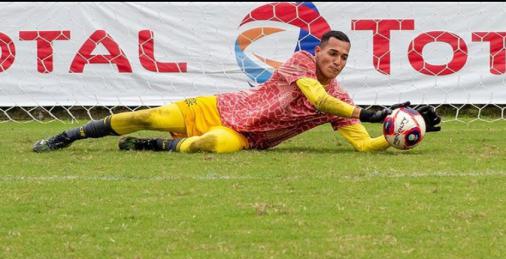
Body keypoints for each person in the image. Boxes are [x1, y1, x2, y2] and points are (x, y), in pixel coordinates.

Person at [32, 30, 441, 154]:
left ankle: (153, 148)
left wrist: (397, 130)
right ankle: (70, 136)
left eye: (344, 57)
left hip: (247, 137)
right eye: (332, 53)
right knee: (149, 114)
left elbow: (362, 145)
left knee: (213, 146)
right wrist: (377, 111)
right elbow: (317, 99)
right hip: (219, 107)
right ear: (319, 52)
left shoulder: (344, 102)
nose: (337, 60)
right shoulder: (301, 62)